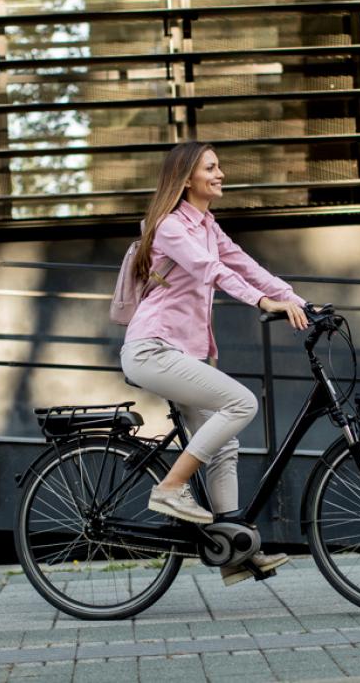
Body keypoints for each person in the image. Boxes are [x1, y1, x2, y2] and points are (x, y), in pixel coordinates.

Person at [119, 140, 309, 586]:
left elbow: (245, 265)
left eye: (219, 166)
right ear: (187, 179)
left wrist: (301, 302)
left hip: (181, 355)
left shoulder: (207, 225)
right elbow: (213, 272)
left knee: (225, 445)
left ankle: (233, 549)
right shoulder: (170, 227)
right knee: (241, 403)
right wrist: (263, 302)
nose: (220, 173)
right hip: (152, 349)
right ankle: (169, 488)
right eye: (211, 167)